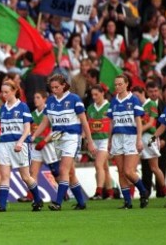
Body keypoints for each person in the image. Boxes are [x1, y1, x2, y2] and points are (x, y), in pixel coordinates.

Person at [33, 74, 97, 211]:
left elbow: (84, 122)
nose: (54, 89)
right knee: (71, 173)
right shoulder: (50, 101)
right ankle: (81, 202)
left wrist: (89, 141)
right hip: (57, 138)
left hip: (72, 137)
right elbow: (45, 122)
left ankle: (58, 202)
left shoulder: (74, 99)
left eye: (57, 87)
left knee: (63, 170)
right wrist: (33, 136)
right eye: (52, 87)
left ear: (63, 85)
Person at [0, 80, 43, 212]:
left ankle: (37, 199)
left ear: (14, 91)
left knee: (25, 176)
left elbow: (27, 130)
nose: (4, 95)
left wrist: (20, 141)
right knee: (4, 175)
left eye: (7, 92)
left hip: (20, 145)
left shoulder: (22, 107)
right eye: (2, 92)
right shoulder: (2, 108)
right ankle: (2, 205)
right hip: (4, 144)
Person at [107, 74, 150, 209]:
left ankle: (143, 191)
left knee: (128, 171)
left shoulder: (134, 99)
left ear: (126, 84)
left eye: (120, 84)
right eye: (116, 84)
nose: (118, 86)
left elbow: (138, 121)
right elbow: (111, 123)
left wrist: (139, 139)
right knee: (120, 171)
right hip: (117, 138)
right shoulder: (113, 101)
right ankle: (127, 202)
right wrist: (109, 140)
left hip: (131, 137)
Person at [19, 91, 59, 203]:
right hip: (36, 146)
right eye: (34, 97)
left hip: (48, 145)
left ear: (44, 99)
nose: (35, 100)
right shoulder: (32, 114)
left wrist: (46, 140)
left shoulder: (49, 112)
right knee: (33, 171)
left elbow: (54, 130)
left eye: (38, 97)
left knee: (55, 172)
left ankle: (63, 191)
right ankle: (31, 195)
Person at [133, 86, 166, 198]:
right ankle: (133, 194)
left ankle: (164, 191)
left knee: (154, 167)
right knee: (131, 168)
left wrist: (138, 131)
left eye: (137, 96)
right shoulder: (136, 106)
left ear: (143, 93)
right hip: (138, 138)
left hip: (149, 137)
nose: (135, 98)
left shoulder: (151, 104)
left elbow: (151, 123)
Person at [86, 85, 114, 200]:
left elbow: (113, 124)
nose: (94, 97)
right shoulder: (90, 108)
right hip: (95, 140)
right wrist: (88, 140)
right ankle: (110, 193)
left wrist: (111, 140)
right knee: (104, 167)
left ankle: (98, 192)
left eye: (96, 94)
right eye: (92, 95)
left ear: (103, 93)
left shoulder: (109, 107)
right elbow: (88, 125)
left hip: (105, 140)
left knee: (98, 165)